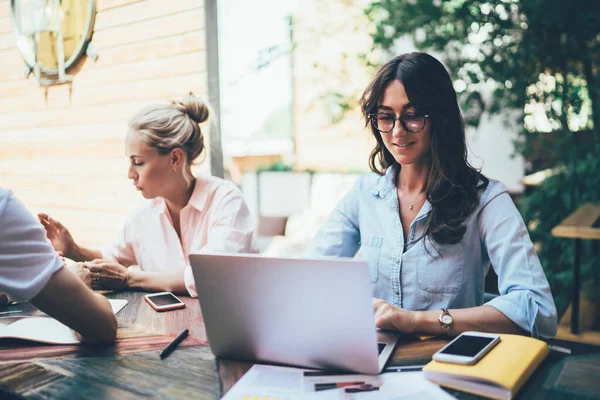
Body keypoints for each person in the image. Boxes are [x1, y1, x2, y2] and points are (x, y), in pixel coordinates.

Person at [307, 53, 557, 338]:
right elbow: (309, 278)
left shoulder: (486, 200)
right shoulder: (365, 194)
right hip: (371, 366)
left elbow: (538, 309)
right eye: (386, 117)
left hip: (446, 368)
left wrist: (418, 321)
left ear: (440, 117)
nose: (397, 131)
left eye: (412, 116)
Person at [39, 93, 256, 297]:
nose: (130, 174)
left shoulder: (225, 201)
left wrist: (131, 279)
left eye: (138, 162)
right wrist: (73, 249)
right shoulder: (143, 215)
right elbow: (112, 261)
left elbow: (212, 277)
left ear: (175, 159)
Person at [0, 189, 117, 344]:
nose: (131, 175)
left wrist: (33, 271)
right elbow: (102, 328)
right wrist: (76, 281)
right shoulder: (4, 209)